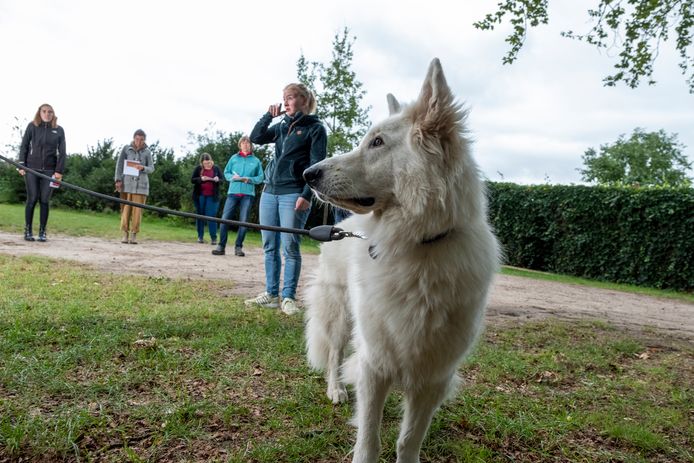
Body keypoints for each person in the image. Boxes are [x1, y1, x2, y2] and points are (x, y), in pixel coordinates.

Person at [245, 83, 327, 315]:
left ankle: (288, 297)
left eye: (290, 97)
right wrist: (267, 116)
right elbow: (256, 137)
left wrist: (306, 195)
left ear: (304, 100)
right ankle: (271, 294)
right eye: (284, 98)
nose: (286, 102)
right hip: (270, 191)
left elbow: (317, 166)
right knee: (269, 245)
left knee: (290, 246)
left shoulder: (315, 128)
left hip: (293, 193)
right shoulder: (281, 127)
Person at [17, 103, 67, 242]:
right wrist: (22, 165)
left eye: (50, 112)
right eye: (44, 111)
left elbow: (62, 152)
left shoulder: (59, 130)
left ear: (53, 114)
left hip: (50, 170)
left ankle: (42, 232)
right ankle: (28, 231)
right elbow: (24, 146)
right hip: (31, 168)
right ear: (39, 113)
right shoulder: (32, 126)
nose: (47, 114)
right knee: (32, 199)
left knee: (44, 200)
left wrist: (59, 171)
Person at [212, 136, 264, 257]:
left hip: (248, 195)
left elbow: (261, 177)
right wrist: (232, 178)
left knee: (244, 222)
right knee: (224, 219)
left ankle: (238, 247)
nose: (245, 145)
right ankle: (221, 246)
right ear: (240, 145)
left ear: (251, 145)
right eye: (243, 143)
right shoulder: (234, 158)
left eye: (248, 143)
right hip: (233, 193)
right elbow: (226, 172)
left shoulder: (256, 161)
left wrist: (249, 179)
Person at [114, 129, 154, 244]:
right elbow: (120, 164)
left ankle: (134, 235)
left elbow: (151, 168)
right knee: (125, 210)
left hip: (141, 186)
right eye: (137, 139)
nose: (139, 141)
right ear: (133, 138)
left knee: (137, 211)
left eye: (141, 140)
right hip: (127, 185)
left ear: (144, 140)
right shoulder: (126, 149)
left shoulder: (147, 152)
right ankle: (125, 234)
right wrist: (118, 179)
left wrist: (143, 168)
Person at [191, 153, 223, 244]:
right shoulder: (198, 168)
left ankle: (214, 238)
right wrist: (201, 179)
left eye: (208, 163)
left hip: (212, 196)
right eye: (205, 163)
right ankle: (200, 237)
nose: (207, 165)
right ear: (202, 163)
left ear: (211, 161)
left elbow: (222, 180)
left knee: (211, 216)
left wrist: (217, 179)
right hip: (200, 196)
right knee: (200, 216)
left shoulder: (216, 168)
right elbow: (192, 180)